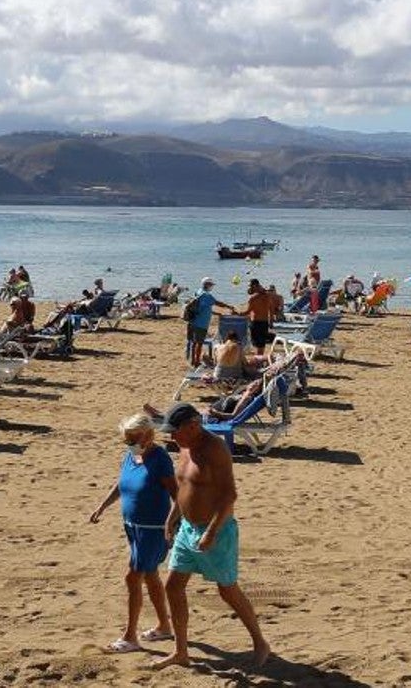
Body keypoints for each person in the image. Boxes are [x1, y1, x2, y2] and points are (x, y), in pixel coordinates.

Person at [151, 403, 270, 670]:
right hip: (187, 529)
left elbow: (229, 496)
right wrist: (172, 518)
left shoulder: (215, 449)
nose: (172, 437)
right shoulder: (184, 446)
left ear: (193, 426)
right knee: (173, 586)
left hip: (217, 530)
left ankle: (260, 642)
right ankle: (180, 651)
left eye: (176, 432)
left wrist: (212, 532)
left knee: (227, 591)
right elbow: (184, 487)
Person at [88, 414, 176, 654]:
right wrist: (103, 506)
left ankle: (130, 637)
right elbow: (122, 484)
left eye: (133, 439)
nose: (129, 443)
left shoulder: (160, 459)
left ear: (148, 435)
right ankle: (165, 626)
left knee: (132, 577)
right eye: (126, 440)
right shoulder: (133, 454)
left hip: (153, 530)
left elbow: (177, 495)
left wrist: (173, 524)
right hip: (132, 526)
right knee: (149, 575)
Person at [186, 278, 236, 368]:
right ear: (207, 284)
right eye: (211, 285)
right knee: (199, 343)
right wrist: (229, 306)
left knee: (194, 342)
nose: (212, 287)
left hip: (193, 321)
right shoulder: (207, 295)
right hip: (201, 323)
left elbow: (205, 308)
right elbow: (217, 303)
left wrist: (217, 313)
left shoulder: (199, 292)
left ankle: (193, 360)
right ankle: (197, 362)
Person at [236, 279, 276, 355]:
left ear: (254, 286)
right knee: (262, 344)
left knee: (257, 344)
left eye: (250, 286)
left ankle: (258, 360)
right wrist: (271, 322)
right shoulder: (268, 296)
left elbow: (247, 311)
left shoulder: (253, 298)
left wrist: (238, 313)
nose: (249, 288)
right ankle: (260, 360)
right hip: (265, 322)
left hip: (256, 322)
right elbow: (271, 310)